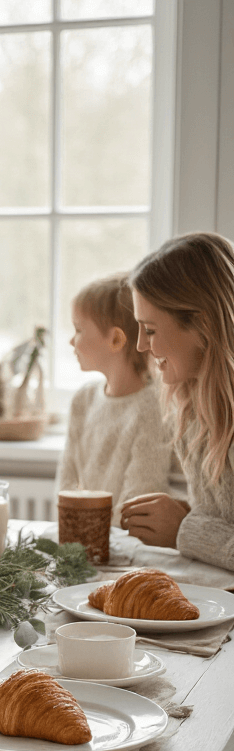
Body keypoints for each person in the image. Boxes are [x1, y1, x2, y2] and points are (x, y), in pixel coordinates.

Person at [120, 231, 234, 568]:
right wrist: (185, 513)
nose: (141, 345)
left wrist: (184, 528)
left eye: (151, 330)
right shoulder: (192, 406)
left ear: (203, 325)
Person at [56, 273, 171, 527]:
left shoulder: (152, 407)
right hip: (82, 542)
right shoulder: (82, 400)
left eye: (78, 329)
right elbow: (66, 480)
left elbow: (140, 496)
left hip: (128, 546)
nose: (71, 340)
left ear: (116, 339)